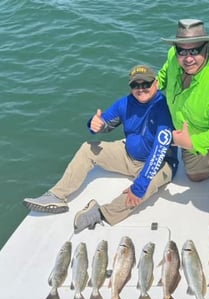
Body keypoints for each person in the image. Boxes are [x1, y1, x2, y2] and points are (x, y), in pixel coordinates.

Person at [23, 65, 178, 233]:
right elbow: (104, 122)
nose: (141, 89)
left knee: (144, 189)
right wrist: (95, 124)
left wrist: (139, 186)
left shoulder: (164, 107)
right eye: (135, 85)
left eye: (146, 84)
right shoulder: (125, 103)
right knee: (87, 149)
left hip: (161, 162)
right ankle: (56, 196)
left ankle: (100, 213)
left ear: (156, 83)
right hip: (128, 155)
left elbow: (159, 149)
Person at [158, 18, 209, 232]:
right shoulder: (172, 58)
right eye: (182, 51)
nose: (188, 58)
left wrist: (190, 142)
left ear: (207, 47)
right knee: (195, 178)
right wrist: (150, 86)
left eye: (195, 51)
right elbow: (164, 75)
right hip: (186, 135)